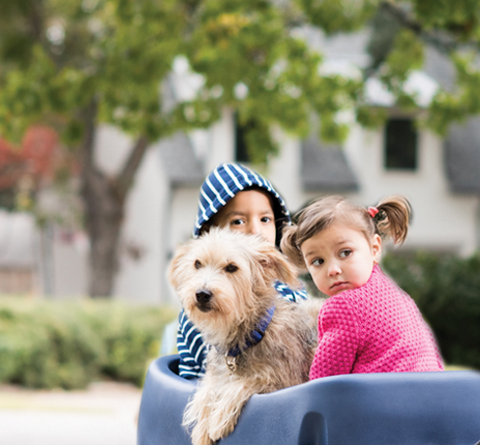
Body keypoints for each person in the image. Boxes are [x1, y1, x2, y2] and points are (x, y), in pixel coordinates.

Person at [172, 162, 311, 381]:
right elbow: (192, 378)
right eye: (238, 221)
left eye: (265, 219)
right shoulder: (198, 314)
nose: (255, 230)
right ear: (210, 231)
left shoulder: (292, 294)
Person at [281, 195, 445, 380]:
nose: (333, 270)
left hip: (385, 403)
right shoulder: (401, 298)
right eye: (318, 261)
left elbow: (325, 380)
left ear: (374, 248)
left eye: (345, 253)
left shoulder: (343, 307)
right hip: (432, 393)